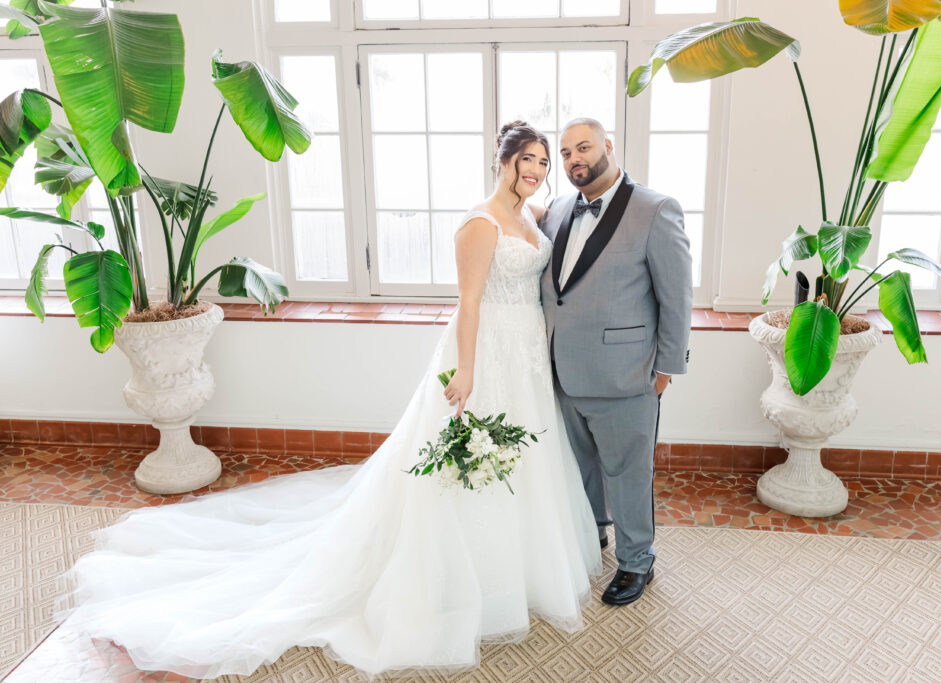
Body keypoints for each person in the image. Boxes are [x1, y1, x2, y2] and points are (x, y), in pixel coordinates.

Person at [56, 121, 602, 679]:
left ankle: (522, 568)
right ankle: (464, 577)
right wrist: (465, 372)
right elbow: (469, 305)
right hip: (486, 356)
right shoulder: (480, 225)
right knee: (469, 470)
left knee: (525, 462)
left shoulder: (535, 216)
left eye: (543, 162)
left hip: (529, 357)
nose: (536, 171)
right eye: (527, 160)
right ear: (502, 161)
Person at [540, 117, 692, 606]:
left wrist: (666, 368)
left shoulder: (655, 209)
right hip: (562, 368)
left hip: (627, 372)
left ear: (607, 145)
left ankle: (636, 561)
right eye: (564, 154)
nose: (573, 159)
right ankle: (594, 534)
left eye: (582, 147)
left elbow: (677, 297)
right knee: (581, 465)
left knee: (627, 472)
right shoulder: (558, 209)